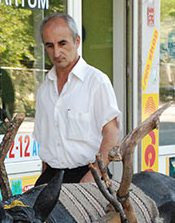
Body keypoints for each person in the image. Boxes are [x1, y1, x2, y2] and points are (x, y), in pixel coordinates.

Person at [33, 13, 122, 186]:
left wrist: (93, 176)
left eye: (62, 43)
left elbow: (112, 134)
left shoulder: (96, 81)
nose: (56, 52)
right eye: (50, 46)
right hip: (51, 178)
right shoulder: (44, 89)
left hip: (89, 175)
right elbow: (46, 143)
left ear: (77, 41)